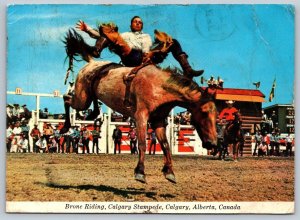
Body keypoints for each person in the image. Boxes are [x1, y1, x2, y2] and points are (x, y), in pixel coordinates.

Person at [76, 16, 204, 78]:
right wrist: (87, 29)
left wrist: (159, 51)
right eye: (135, 21)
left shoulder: (146, 37)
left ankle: (187, 69)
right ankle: (95, 50)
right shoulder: (124, 35)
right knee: (109, 33)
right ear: (131, 24)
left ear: (141, 25)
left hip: (143, 57)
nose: (138, 23)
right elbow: (102, 35)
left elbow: (146, 54)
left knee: (173, 41)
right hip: (129, 57)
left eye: (140, 22)